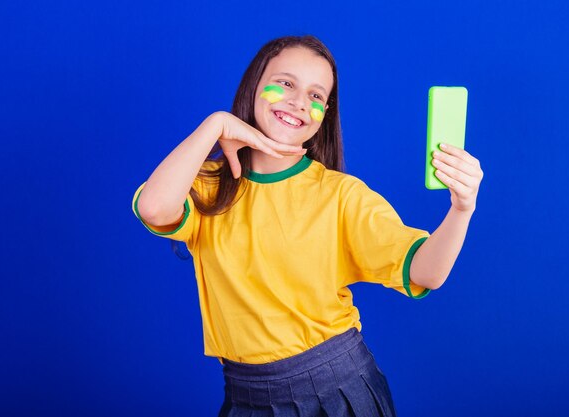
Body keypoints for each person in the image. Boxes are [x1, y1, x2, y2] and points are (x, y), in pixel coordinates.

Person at [131, 35, 483, 416]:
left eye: (317, 96)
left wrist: (462, 208)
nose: (300, 102)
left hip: (334, 391)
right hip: (244, 395)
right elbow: (153, 207)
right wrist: (215, 125)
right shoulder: (207, 186)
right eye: (285, 83)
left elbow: (426, 272)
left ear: (325, 114)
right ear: (253, 86)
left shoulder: (341, 195)